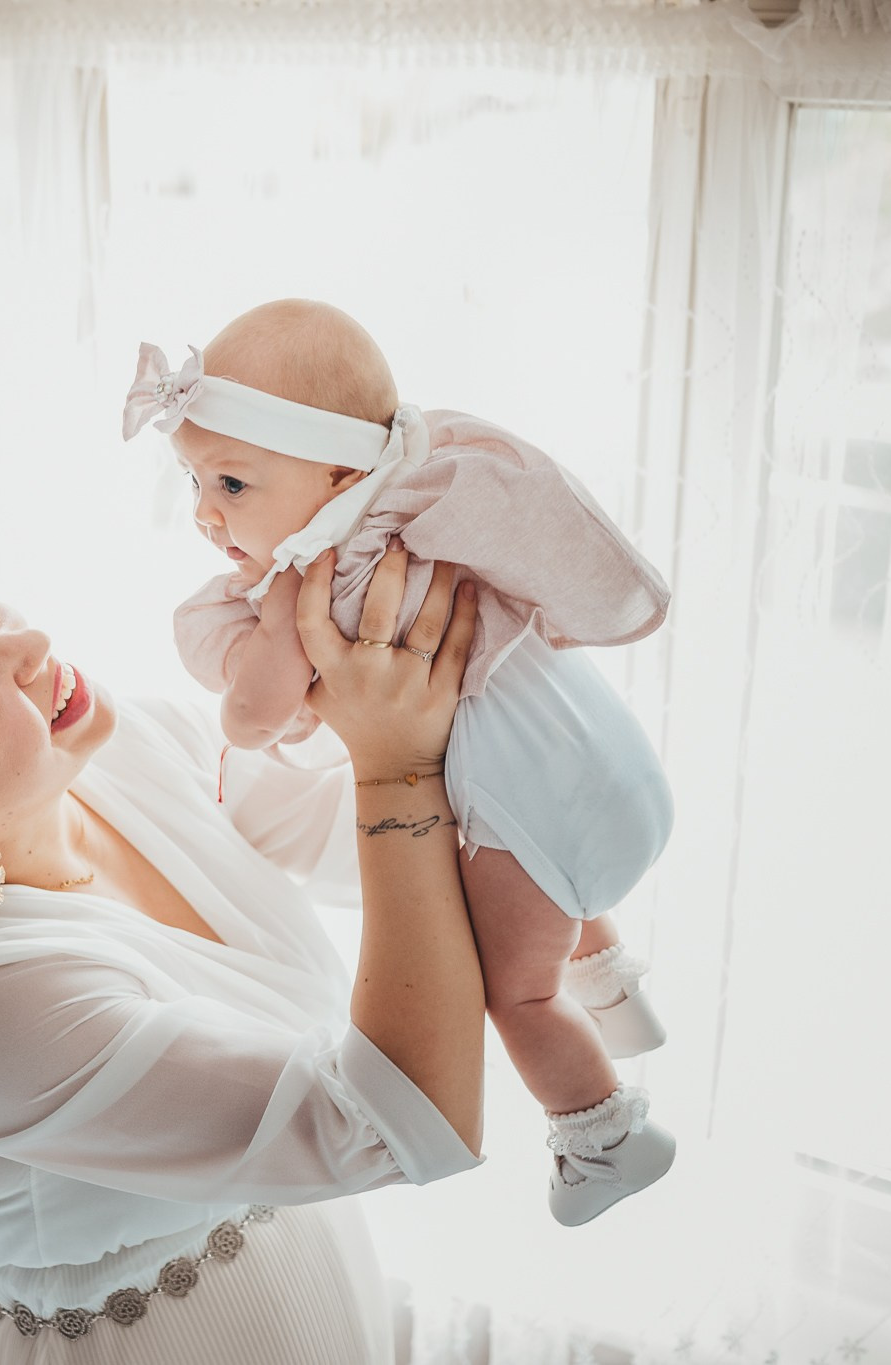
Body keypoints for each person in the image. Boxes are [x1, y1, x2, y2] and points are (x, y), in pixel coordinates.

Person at [0, 546, 485, 1363]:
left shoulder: (104, 751)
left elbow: (357, 839)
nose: (28, 646)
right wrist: (397, 769)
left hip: (321, 1271)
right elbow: (411, 1121)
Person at [122, 299, 677, 1226]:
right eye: (193, 483)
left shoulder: (319, 581)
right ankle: (618, 993)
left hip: (533, 823)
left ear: (335, 472)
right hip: (606, 756)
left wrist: (264, 627)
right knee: (549, 883)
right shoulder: (429, 496)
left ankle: (607, 1139)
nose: (204, 516)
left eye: (230, 484)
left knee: (517, 990)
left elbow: (257, 717)